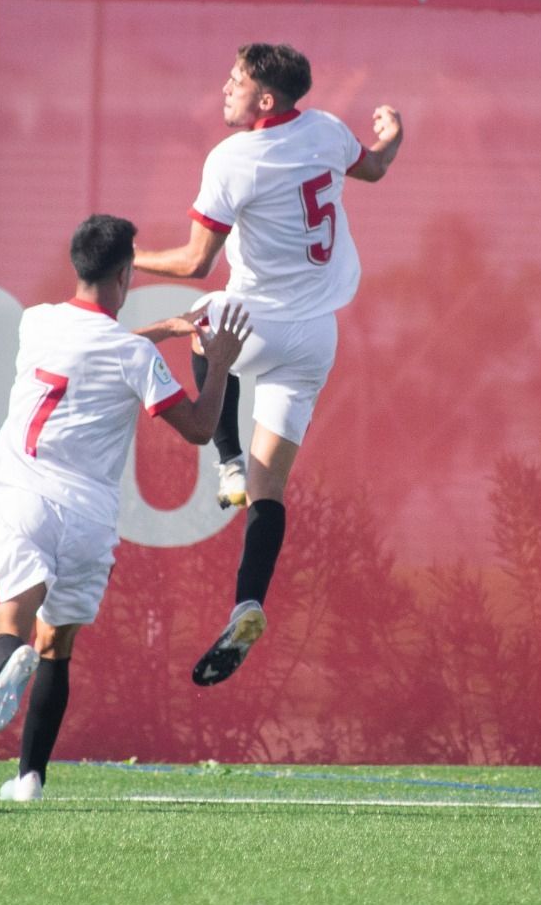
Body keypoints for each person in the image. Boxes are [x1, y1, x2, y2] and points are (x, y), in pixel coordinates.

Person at [132, 42, 402, 687]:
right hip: (315, 339)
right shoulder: (330, 132)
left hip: (252, 322)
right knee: (269, 492)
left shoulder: (233, 158)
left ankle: (223, 460)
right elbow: (376, 169)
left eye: (236, 82)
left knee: (202, 333)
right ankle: (248, 603)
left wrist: (131, 258)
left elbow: (196, 264)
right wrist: (394, 136)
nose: (225, 89)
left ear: (266, 100)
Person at [0, 214, 249, 801]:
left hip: (24, 500)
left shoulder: (37, 322)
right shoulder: (133, 358)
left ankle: (8, 661)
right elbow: (202, 429)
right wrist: (219, 360)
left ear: (77, 265)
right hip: (89, 521)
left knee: (6, 631)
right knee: (58, 647)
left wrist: (160, 330)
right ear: (127, 274)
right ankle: (29, 779)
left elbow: (93, 348)